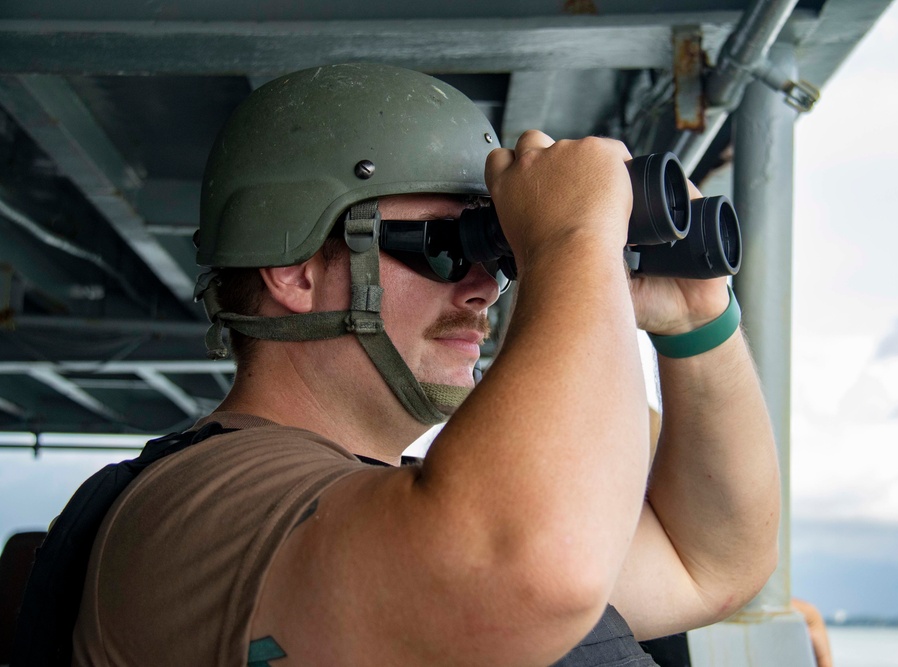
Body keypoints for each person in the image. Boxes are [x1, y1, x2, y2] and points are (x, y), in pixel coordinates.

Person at [71, 63, 780, 666]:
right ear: (296, 270)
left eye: (497, 255)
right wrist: (571, 238)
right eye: (444, 244)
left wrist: (696, 322)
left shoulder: (397, 512)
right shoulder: (202, 509)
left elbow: (709, 562)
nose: (481, 287)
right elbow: (534, 567)